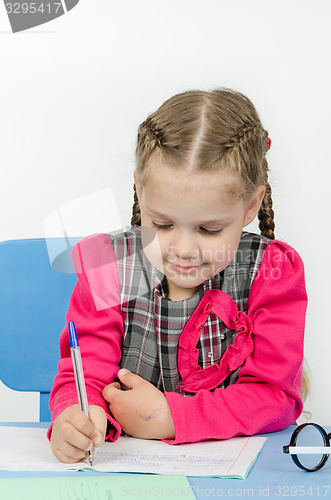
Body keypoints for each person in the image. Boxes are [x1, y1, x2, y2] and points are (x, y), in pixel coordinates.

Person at [49, 88, 307, 464]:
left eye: (209, 229)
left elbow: (274, 399)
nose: (183, 249)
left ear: (250, 204)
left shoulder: (273, 271)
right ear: (140, 189)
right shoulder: (110, 263)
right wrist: (73, 416)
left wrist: (170, 418)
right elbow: (83, 374)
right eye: (164, 224)